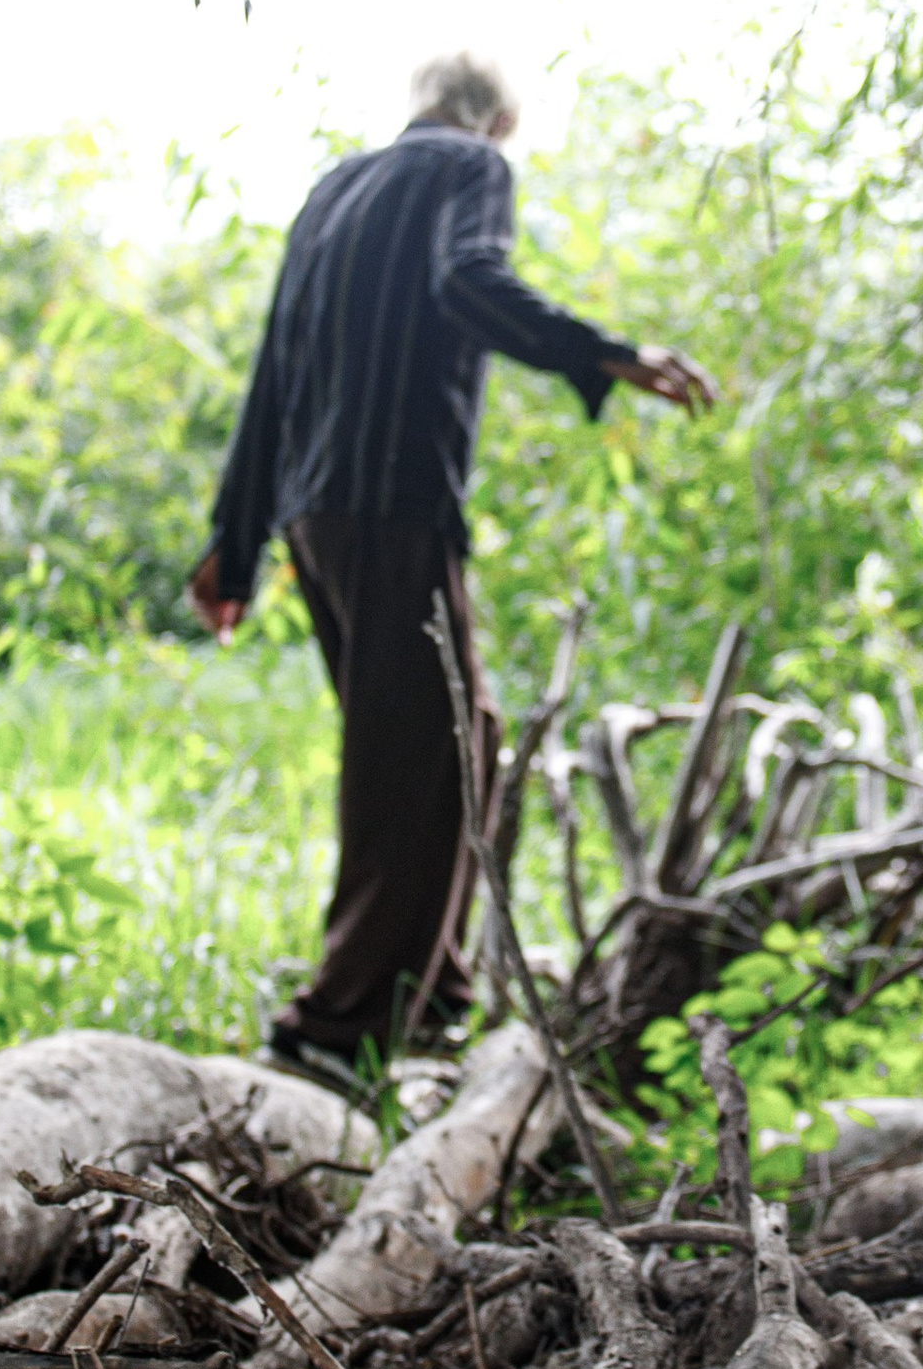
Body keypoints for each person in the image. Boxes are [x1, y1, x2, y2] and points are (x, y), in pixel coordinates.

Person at [190, 52, 714, 1079]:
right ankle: (332, 1031)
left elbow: (275, 367)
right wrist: (604, 351)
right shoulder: (468, 170)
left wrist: (236, 540)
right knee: (416, 760)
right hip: (391, 506)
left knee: (453, 737)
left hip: (318, 518)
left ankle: (431, 995)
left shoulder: (333, 190)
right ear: (496, 119)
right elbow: (468, 281)